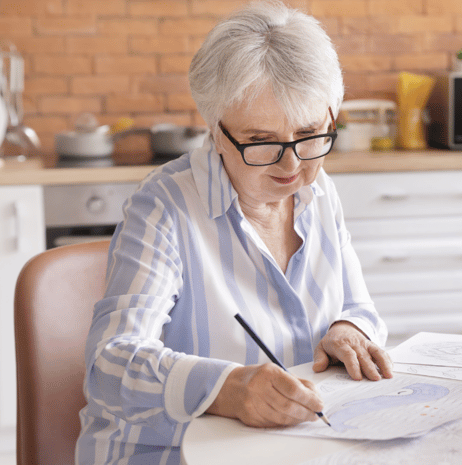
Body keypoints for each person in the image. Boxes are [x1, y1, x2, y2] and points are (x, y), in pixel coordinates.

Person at [75, 2, 392, 463]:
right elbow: (111, 363)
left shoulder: (319, 191)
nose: (292, 166)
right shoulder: (164, 207)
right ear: (217, 131)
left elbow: (358, 306)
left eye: (309, 135)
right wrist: (226, 389)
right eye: (262, 142)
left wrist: (349, 330)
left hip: (291, 449)